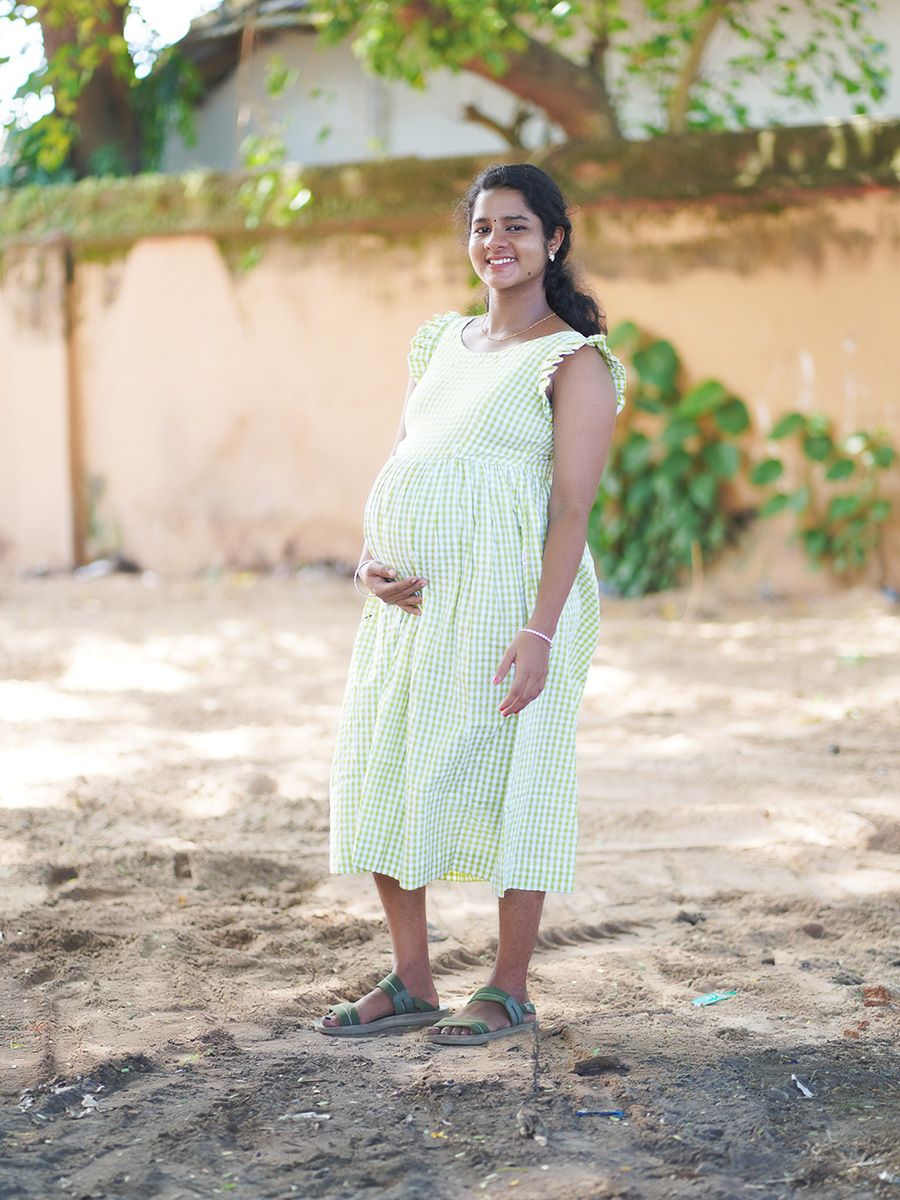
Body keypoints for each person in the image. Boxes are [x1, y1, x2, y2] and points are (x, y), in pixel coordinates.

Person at [315, 162, 627, 1046]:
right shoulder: (437, 343)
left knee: (514, 772)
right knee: (387, 764)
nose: (498, 242)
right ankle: (412, 979)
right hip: (407, 608)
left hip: (511, 606)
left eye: (518, 226)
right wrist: (368, 566)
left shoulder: (575, 361)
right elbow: (409, 458)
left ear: (554, 240)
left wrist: (540, 632)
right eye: (484, 227)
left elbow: (571, 509)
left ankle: (509, 984)